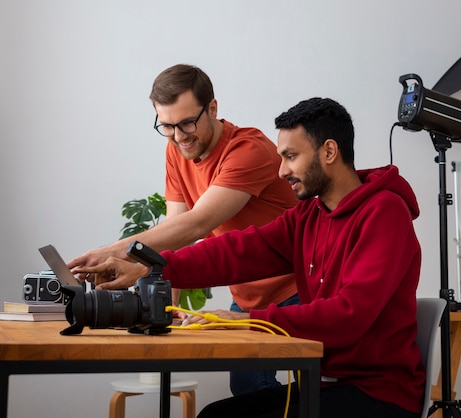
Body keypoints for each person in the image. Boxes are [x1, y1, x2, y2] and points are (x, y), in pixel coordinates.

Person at [76, 97, 424, 418]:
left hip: (378, 395)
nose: (282, 171)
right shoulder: (309, 216)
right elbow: (236, 253)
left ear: (329, 151)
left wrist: (244, 320)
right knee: (217, 415)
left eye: (290, 156)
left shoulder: (383, 213)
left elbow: (351, 314)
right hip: (324, 383)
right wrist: (148, 268)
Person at [67, 64, 299, 396]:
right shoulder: (177, 151)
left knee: (262, 393)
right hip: (245, 296)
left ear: (213, 109)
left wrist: (109, 251)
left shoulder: (249, 151)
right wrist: (163, 313)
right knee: (248, 391)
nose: (179, 136)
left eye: (188, 122)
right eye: (168, 126)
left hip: (295, 290)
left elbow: (197, 223)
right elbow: (173, 235)